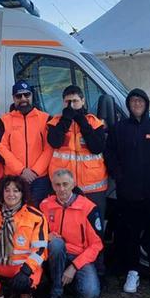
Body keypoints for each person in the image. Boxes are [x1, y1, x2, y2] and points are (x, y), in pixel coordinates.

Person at [106, 88, 150, 295]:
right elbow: (110, 154)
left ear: (146, 104)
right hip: (128, 193)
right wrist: (119, 177)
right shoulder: (119, 128)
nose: (137, 104)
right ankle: (133, 272)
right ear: (128, 105)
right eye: (133, 101)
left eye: (140, 101)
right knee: (130, 234)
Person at [40, 169, 103, 298]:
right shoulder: (45, 205)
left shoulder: (88, 208)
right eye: (57, 185)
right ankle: (56, 290)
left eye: (65, 184)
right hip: (55, 253)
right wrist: (46, 236)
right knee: (56, 244)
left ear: (73, 184)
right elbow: (35, 233)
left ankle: (66, 281)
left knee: (90, 293)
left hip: (79, 256)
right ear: (52, 185)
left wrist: (74, 267)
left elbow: (97, 245)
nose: (61, 189)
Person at [47, 85, 108, 225]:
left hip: (93, 187)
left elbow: (97, 147)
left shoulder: (94, 122)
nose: (72, 105)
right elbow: (55, 142)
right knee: (68, 226)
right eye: (68, 102)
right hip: (65, 187)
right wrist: (66, 120)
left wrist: (82, 122)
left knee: (94, 225)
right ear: (63, 103)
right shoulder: (55, 122)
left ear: (83, 101)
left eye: (75, 101)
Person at [0, 81, 53, 205]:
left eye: (26, 95)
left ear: (32, 96)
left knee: (36, 212)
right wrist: (21, 170)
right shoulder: (5, 120)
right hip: (13, 178)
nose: (23, 99)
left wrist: (35, 171)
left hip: (39, 179)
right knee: (15, 212)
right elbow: (2, 148)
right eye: (18, 96)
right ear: (13, 98)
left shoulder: (45, 119)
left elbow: (49, 148)